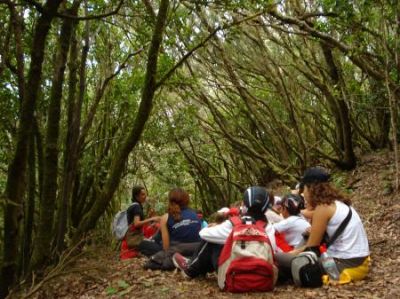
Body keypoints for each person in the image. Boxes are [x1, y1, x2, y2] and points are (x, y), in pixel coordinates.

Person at [276, 167, 370, 284]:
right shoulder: (337, 203)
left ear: (310, 188)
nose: (303, 193)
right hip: (361, 262)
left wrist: (291, 253)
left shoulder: (323, 208)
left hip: (345, 265)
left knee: (279, 258)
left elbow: (311, 248)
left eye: (304, 188)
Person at [172, 186, 277, 279]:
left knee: (211, 242)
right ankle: (194, 267)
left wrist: (218, 227)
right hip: (263, 276)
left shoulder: (234, 224)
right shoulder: (268, 227)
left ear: (244, 204)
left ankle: (190, 269)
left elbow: (203, 234)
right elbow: (273, 251)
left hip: (234, 275)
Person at [139, 188, 201, 257]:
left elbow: (166, 249)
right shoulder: (195, 214)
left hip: (176, 252)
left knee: (143, 244)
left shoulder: (166, 217)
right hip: (195, 250)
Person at [120, 186, 160, 260]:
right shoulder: (136, 207)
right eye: (142, 194)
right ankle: (140, 253)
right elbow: (137, 223)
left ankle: (142, 252)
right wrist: (152, 218)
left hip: (135, 238)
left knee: (155, 245)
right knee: (158, 249)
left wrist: (150, 219)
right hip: (135, 240)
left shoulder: (135, 206)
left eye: (145, 194)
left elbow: (138, 224)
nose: (145, 196)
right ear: (136, 196)